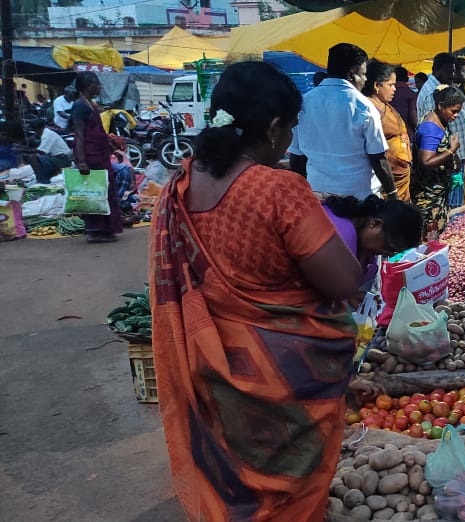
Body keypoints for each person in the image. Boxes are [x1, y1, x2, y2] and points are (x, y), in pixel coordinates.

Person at [148, 61, 382, 522]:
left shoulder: (179, 185)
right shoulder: (276, 189)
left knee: (233, 478)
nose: (290, 141)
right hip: (283, 379)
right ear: (274, 128)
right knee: (288, 494)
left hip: (214, 370)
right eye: (291, 128)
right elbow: (342, 281)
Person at [289, 43, 392, 200]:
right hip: (360, 198)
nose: (365, 80)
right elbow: (378, 158)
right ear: (351, 75)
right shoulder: (363, 106)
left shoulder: (304, 103)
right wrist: (393, 194)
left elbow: (297, 157)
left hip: (318, 196)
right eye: (363, 74)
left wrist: (302, 194)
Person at [323, 194, 425, 287]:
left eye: (392, 253)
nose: (385, 254)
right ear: (375, 224)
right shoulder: (343, 235)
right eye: (387, 247)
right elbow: (335, 289)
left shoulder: (367, 256)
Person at [70, 71, 122, 243]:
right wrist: (82, 161)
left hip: (100, 155)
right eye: (97, 84)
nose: (99, 87)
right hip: (90, 156)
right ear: (88, 86)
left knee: (105, 191)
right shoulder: (80, 106)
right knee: (94, 192)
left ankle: (105, 229)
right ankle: (94, 231)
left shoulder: (91, 104)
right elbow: (79, 134)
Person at [413, 86, 465, 237]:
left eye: (458, 111)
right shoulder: (431, 129)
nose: (456, 115)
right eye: (453, 111)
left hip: (438, 194)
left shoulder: (440, 121)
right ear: (440, 106)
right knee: (429, 238)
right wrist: (451, 150)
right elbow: (426, 161)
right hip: (428, 196)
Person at [418, 53, 465, 181]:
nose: (452, 75)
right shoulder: (432, 93)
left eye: (453, 71)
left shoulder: (445, 87)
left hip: (456, 154)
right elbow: (433, 128)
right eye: (449, 72)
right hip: (447, 159)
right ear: (436, 70)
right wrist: (451, 151)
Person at [362, 60, 413, 201]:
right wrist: (392, 192)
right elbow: (376, 154)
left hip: (401, 177)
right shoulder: (371, 109)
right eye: (390, 85)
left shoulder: (384, 105)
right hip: (388, 183)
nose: (394, 89)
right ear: (377, 85)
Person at [29, 119, 72, 183]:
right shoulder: (46, 132)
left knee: (33, 157)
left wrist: (22, 150)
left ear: (36, 129)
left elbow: (41, 151)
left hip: (63, 159)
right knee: (38, 157)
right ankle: (45, 177)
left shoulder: (47, 134)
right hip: (59, 157)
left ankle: (42, 180)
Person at [390, 66, 418, 134]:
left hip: (390, 132)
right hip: (407, 133)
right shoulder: (410, 93)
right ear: (407, 78)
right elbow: (413, 117)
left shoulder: (387, 92)